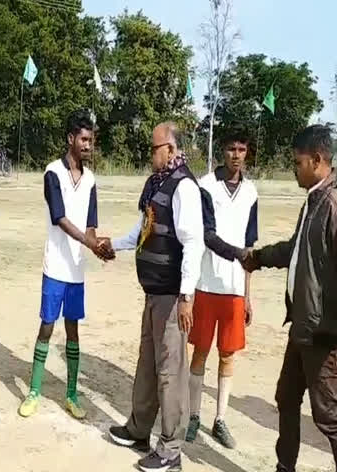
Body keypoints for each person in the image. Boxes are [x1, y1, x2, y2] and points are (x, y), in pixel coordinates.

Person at [240, 125, 337, 472]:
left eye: (298, 163)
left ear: (317, 160)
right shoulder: (314, 201)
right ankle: (286, 468)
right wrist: (259, 257)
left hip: (324, 337)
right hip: (302, 328)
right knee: (286, 398)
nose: (294, 168)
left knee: (330, 419)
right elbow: (296, 251)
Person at [105, 122, 204, 472]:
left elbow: (193, 243)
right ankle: (138, 429)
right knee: (147, 365)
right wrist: (111, 244)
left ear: (172, 149)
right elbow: (143, 230)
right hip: (153, 293)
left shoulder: (184, 188)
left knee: (170, 372)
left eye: (155, 148)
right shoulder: (156, 185)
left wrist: (187, 296)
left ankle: (171, 450)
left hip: (173, 298)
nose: (151, 154)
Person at [17, 109, 113, 420]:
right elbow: (59, 218)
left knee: (73, 330)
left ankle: (71, 395)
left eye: (91, 140)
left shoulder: (91, 180)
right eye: (83, 139)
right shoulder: (52, 173)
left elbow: (90, 226)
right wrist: (90, 243)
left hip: (76, 270)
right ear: (70, 138)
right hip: (55, 267)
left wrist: (98, 247)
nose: (88, 145)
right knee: (47, 327)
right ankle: (33, 392)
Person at [185, 132, 258, 449]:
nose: (237, 155)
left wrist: (248, 293)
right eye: (231, 148)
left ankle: (220, 420)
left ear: (247, 153)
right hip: (205, 283)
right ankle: (192, 416)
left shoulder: (252, 192)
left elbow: (250, 246)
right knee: (200, 352)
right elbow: (205, 236)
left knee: (227, 356)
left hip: (234, 289)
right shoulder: (205, 186)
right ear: (222, 151)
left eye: (242, 149)